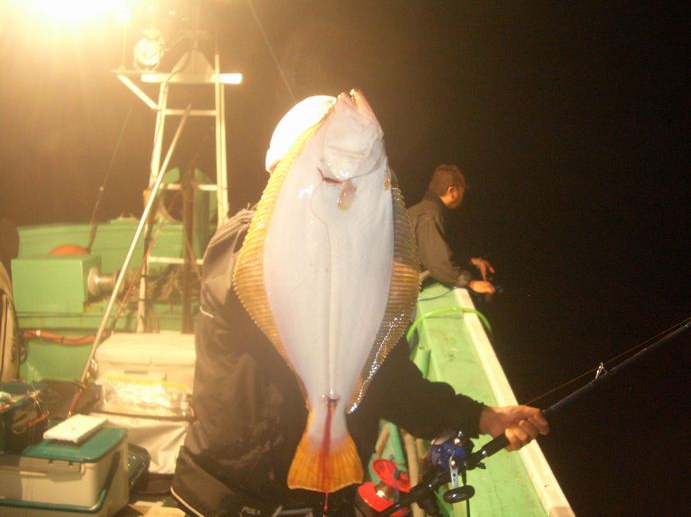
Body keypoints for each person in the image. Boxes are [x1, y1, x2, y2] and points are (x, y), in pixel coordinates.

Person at [171, 97, 548, 516]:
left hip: (323, 502)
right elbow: (239, 287)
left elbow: (390, 383)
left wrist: (481, 417)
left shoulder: (358, 275)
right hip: (223, 498)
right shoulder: (237, 244)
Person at [407, 164, 496, 295]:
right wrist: (471, 283)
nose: (462, 195)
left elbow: (435, 252)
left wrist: (472, 262)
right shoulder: (430, 217)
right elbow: (438, 264)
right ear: (452, 191)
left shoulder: (420, 210)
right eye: (462, 190)